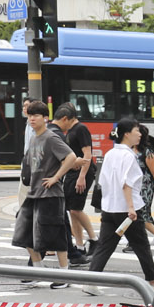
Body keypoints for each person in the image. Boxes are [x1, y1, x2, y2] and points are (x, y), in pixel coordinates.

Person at [84, 117, 154, 288]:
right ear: (127, 134)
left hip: (109, 208)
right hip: (127, 210)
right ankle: (153, 281)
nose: (139, 134)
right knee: (141, 246)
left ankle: (90, 282)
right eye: (136, 131)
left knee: (105, 246)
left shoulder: (110, 154)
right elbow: (127, 184)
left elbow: (103, 182)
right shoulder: (128, 156)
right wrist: (131, 208)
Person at [13, 102, 82, 283]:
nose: (32, 119)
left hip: (51, 194)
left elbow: (71, 157)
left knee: (57, 236)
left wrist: (56, 177)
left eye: (35, 115)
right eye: (29, 116)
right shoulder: (34, 139)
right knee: (23, 234)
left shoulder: (50, 138)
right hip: (35, 193)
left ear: (45, 118)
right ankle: (38, 271)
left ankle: (64, 275)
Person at [58, 102, 95, 265]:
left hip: (82, 173)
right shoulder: (72, 130)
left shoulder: (80, 129)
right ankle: (79, 245)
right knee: (72, 210)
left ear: (67, 117)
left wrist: (82, 176)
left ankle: (94, 239)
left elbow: (87, 153)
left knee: (76, 209)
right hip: (74, 173)